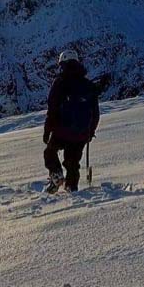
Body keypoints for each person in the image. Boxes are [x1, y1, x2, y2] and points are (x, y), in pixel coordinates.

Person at [43, 50, 100, 194]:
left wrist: (47, 130)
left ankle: (56, 175)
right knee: (72, 163)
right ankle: (72, 189)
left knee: (50, 152)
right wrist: (89, 132)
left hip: (61, 131)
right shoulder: (88, 85)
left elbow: (52, 108)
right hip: (81, 133)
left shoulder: (60, 82)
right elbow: (95, 113)